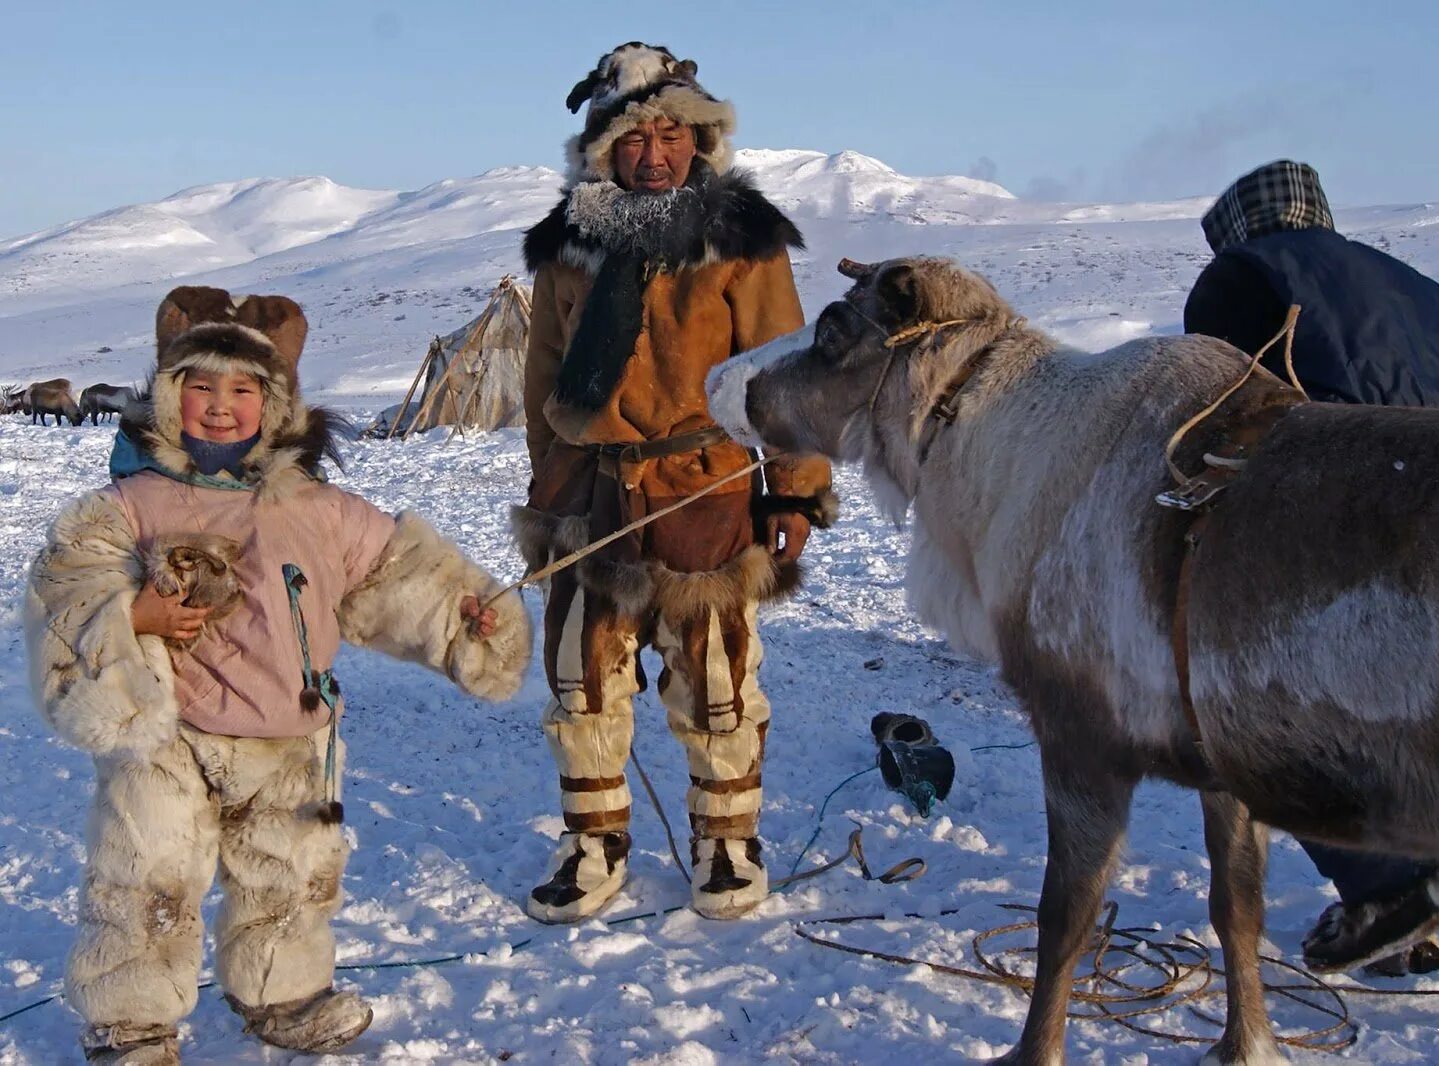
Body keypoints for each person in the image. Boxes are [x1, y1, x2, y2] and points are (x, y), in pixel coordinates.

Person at [25, 286, 532, 1064]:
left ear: (276, 402)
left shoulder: (319, 509)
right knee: (148, 882)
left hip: (289, 735)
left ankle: (283, 995)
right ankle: (130, 1024)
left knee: (290, 879)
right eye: (200, 386)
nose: (220, 407)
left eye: (242, 390)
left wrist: (466, 618)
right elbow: (64, 592)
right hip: (171, 737)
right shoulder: (129, 504)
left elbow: (395, 573)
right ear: (167, 397)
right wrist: (132, 618)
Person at [513, 43, 834, 923]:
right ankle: (593, 842)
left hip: (708, 484)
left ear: (699, 142)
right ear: (601, 152)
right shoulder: (568, 249)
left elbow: (782, 372)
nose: (654, 154)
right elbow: (544, 378)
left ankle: (725, 842)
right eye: (634, 139)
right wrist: (551, 488)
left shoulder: (742, 241)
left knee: (715, 674)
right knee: (584, 673)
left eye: (672, 135)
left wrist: (797, 490)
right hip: (595, 489)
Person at [1184, 159, 1439, 976]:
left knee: (1259, 707)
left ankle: (1388, 886)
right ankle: (1411, 890)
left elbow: (1218, 412)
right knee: (1396, 716)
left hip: (1333, 525)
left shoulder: (1240, 280)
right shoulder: (1417, 284)